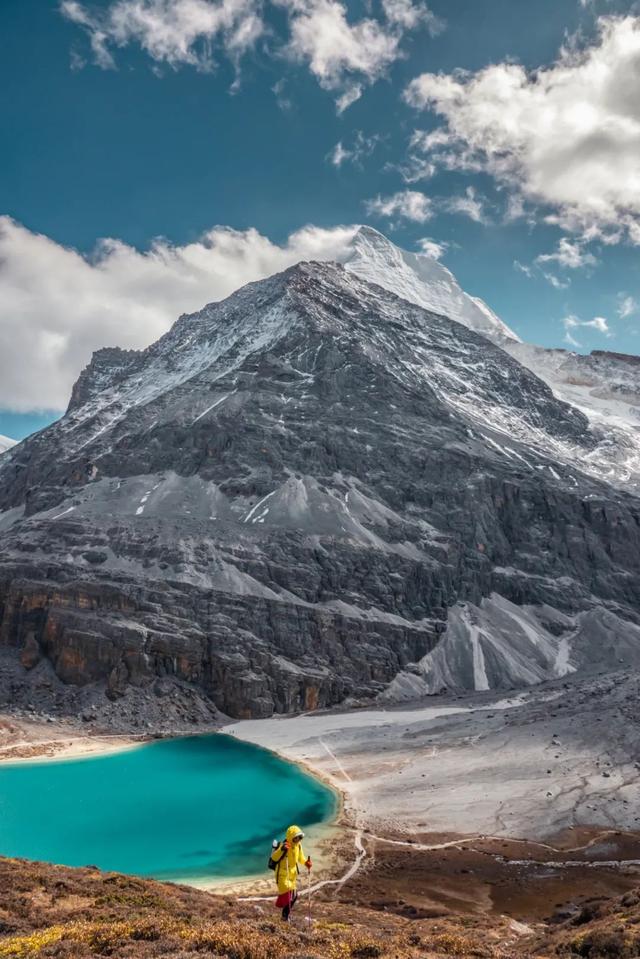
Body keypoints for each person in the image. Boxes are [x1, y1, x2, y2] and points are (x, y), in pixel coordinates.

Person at [271, 824, 312, 921]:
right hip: (282, 876)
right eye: (295, 838)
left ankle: (285, 916)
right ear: (290, 837)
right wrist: (281, 849)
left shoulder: (298, 846)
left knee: (294, 896)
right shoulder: (284, 846)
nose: (297, 840)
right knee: (293, 895)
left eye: (299, 837)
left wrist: (306, 863)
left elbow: (300, 858)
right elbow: (274, 857)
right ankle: (285, 916)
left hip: (292, 876)